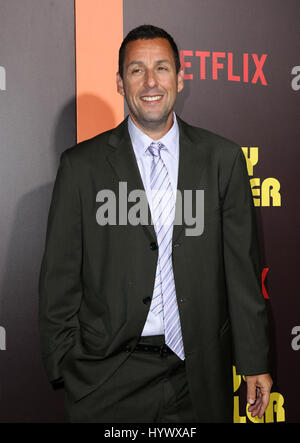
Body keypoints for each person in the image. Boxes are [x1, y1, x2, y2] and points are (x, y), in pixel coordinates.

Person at [38, 24, 272, 423]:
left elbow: (242, 274)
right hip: (108, 378)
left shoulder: (223, 159)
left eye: (162, 68)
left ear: (180, 79)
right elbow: (59, 280)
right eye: (136, 70)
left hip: (197, 378)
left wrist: (253, 360)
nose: (150, 82)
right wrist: (69, 366)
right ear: (119, 81)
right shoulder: (81, 167)